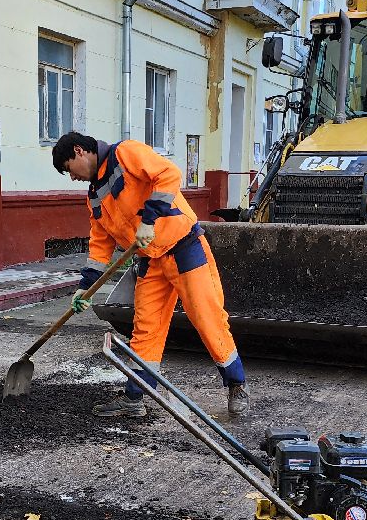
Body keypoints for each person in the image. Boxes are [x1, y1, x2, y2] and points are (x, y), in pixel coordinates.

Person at [51, 131, 249, 420]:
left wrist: (148, 220)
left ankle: (236, 385)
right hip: (150, 260)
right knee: (145, 330)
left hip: (184, 246)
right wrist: (85, 287)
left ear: (80, 151)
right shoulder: (95, 196)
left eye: (69, 169)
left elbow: (169, 174)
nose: (72, 178)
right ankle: (134, 397)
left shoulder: (125, 153)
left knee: (207, 317)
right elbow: (100, 243)